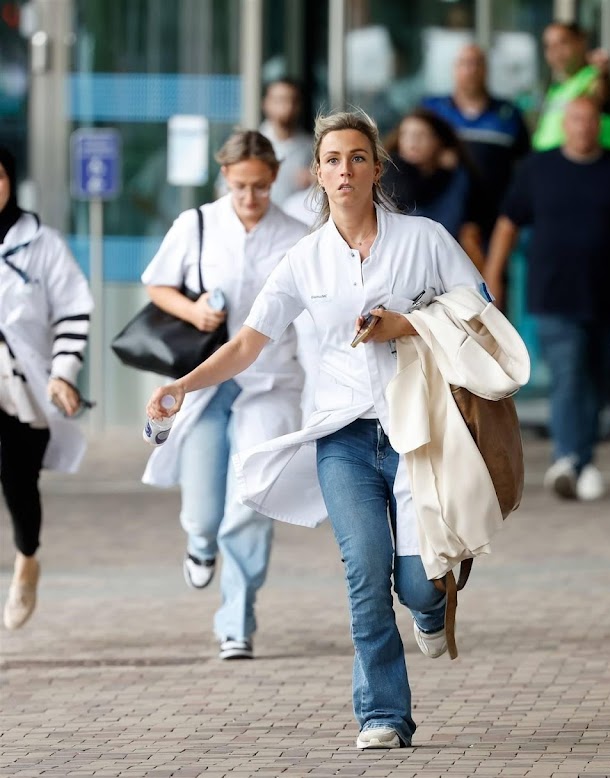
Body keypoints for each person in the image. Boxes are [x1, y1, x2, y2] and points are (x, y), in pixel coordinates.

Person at [145, 111, 485, 749]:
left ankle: (435, 604)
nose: (345, 170)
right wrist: (183, 386)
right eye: (333, 159)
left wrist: (404, 325)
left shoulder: (425, 239)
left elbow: (477, 304)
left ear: (377, 169)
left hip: (420, 433)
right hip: (343, 438)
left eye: (358, 158)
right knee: (364, 572)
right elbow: (248, 341)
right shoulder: (305, 259)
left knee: (414, 583)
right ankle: (382, 714)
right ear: (318, 175)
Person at [140, 129, 308, 661]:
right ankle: (198, 541)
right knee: (205, 508)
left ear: (274, 178)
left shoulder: (299, 236)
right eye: (240, 187)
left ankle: (236, 621)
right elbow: (157, 283)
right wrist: (194, 312)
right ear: (225, 177)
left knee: (251, 502)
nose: (250, 198)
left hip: (272, 382)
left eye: (259, 187)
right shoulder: (197, 224)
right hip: (204, 382)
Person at [484, 97, 610, 501]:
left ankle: (581, 461)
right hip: (552, 292)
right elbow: (508, 223)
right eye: (576, 120)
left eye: (590, 120)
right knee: (569, 375)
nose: (583, 127)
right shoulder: (538, 169)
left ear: (599, 125)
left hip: (606, 293)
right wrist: (493, 275)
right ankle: (567, 457)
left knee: (596, 379)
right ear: (564, 125)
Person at [0, 145, 93, 630]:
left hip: (28, 388)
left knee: (17, 479)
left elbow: (74, 310)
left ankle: (26, 558)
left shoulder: (43, 243)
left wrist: (63, 372)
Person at [421, 44, 531, 244]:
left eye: (477, 63)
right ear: (455, 69)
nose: (471, 70)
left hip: (495, 222)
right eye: (465, 63)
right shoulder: (432, 110)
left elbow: (524, 166)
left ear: (486, 70)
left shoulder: (508, 114)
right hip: (441, 219)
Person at [382, 107, 487, 270]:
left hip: (448, 261)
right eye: (406, 134)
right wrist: (444, 172)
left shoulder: (460, 176)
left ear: (439, 141)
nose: (412, 141)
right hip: (402, 263)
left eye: (421, 135)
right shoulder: (390, 169)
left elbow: (472, 223)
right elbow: (414, 195)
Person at [532, 21, 610, 153]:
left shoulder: (593, 77)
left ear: (581, 42)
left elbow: (604, 97)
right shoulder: (558, 88)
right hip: (552, 165)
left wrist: (603, 75)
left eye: (562, 43)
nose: (555, 52)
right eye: (549, 46)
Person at [260, 78, 315, 206]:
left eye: (293, 101)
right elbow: (224, 189)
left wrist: (315, 180)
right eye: (280, 100)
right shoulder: (251, 144)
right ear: (266, 104)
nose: (288, 106)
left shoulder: (312, 146)